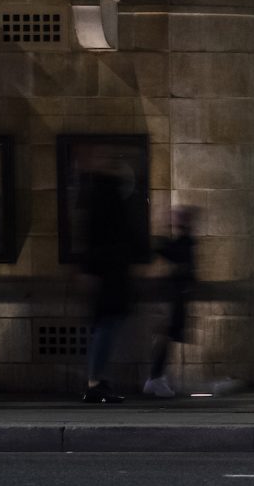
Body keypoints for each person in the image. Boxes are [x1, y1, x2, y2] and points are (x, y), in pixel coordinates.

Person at [79, 168, 143, 404]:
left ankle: (98, 381)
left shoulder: (98, 210)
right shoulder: (112, 211)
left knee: (105, 328)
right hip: (112, 278)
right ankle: (95, 382)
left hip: (107, 277)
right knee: (106, 329)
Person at [143, 206, 199, 398]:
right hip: (173, 296)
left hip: (175, 296)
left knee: (167, 336)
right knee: (166, 336)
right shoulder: (181, 243)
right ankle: (155, 377)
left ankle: (156, 376)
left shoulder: (182, 242)